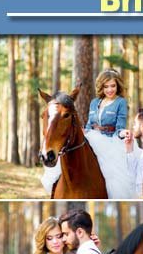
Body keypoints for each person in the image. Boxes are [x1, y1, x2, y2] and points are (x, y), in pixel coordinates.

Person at [41, 67, 133, 200]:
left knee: (113, 175)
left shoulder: (120, 102)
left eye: (113, 86)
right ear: (101, 87)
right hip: (92, 135)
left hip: (110, 139)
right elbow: (90, 123)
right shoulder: (95, 102)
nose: (110, 90)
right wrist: (85, 130)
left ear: (117, 85)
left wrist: (122, 133)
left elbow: (120, 125)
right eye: (106, 86)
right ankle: (56, 189)